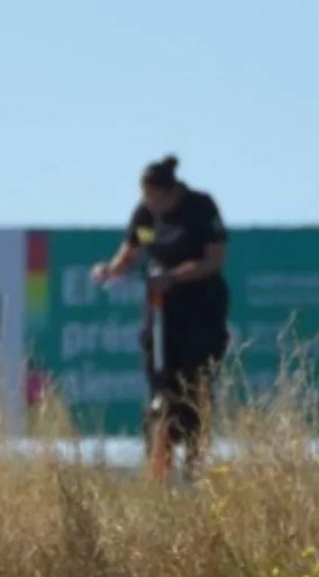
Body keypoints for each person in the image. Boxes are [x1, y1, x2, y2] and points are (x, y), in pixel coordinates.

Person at [92, 154, 231, 482]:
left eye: (157, 198)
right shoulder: (145, 214)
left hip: (200, 307)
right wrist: (110, 271)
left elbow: (214, 260)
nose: (151, 205)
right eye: (146, 198)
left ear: (172, 192)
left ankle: (196, 465)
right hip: (160, 310)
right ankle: (159, 466)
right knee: (161, 387)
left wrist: (175, 277)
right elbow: (132, 251)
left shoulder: (200, 207)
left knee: (195, 386)